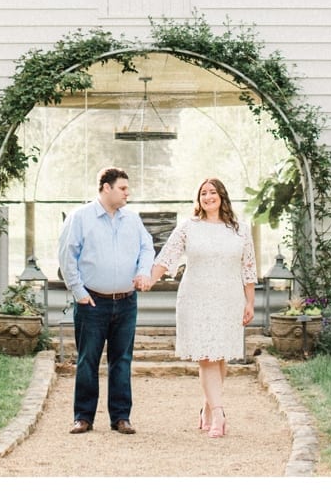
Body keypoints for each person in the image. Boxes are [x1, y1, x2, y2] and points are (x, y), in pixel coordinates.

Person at [148, 177, 256, 439]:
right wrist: (150, 279)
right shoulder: (189, 227)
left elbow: (248, 267)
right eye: (203, 193)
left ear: (222, 196)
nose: (208, 197)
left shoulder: (241, 229)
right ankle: (219, 413)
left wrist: (249, 301)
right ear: (199, 199)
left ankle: (207, 408)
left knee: (220, 356)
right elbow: (168, 255)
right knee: (206, 355)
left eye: (213, 192)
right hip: (196, 298)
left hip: (229, 298)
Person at [57, 165, 155, 435]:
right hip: (93, 303)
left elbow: (147, 248)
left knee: (121, 360)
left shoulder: (132, 220)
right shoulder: (80, 217)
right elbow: (67, 256)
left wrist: (143, 271)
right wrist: (79, 293)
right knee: (88, 360)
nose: (127, 193)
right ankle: (83, 417)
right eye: (123, 188)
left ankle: (121, 417)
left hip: (126, 301)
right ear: (106, 188)